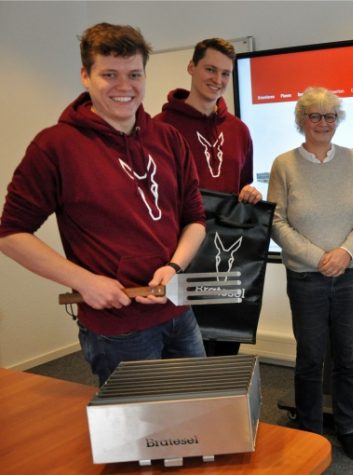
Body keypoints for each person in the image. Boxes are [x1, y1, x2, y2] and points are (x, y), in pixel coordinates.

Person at [0, 23, 207, 386]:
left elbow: (195, 219)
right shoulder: (55, 147)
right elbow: (10, 234)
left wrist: (174, 266)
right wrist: (84, 282)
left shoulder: (168, 138)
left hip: (177, 312)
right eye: (109, 74)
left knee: (199, 408)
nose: (124, 86)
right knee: (140, 420)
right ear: (86, 75)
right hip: (118, 329)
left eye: (134, 74)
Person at [267, 87, 353, 462]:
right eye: (315, 115)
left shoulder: (352, 161)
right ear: (301, 120)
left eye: (330, 116)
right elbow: (276, 222)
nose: (323, 123)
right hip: (307, 280)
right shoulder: (284, 165)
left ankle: (347, 428)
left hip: (350, 276)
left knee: (347, 359)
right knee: (310, 360)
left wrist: (345, 253)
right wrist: (320, 259)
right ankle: (311, 433)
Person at [155, 37, 262, 357]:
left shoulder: (239, 130)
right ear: (191, 67)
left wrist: (249, 194)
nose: (218, 79)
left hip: (226, 255)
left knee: (226, 341)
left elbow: (241, 186)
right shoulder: (159, 128)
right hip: (178, 254)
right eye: (210, 69)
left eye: (225, 73)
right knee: (184, 350)